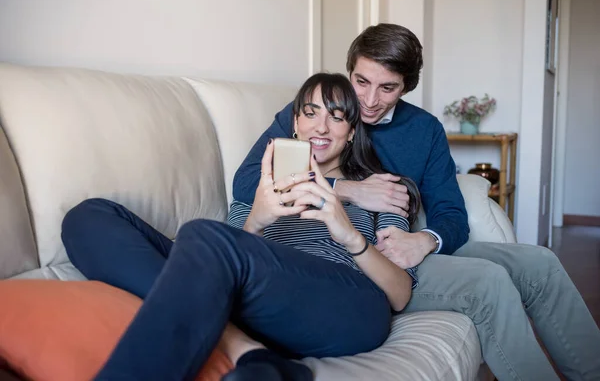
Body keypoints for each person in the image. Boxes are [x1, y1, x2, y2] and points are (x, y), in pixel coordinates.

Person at [232, 24, 600, 380]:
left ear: (406, 86)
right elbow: (248, 181)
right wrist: (347, 190)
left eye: (387, 88)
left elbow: (451, 213)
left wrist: (425, 241)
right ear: (350, 71)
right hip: (370, 251)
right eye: (361, 82)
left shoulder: (424, 130)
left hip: (409, 237)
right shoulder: (316, 114)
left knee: (539, 263)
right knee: (488, 282)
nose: (369, 100)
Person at [62, 73, 420, 381]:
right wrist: (257, 220)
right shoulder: (257, 188)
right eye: (310, 114)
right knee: (88, 217)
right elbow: (229, 261)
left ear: (352, 130)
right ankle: (249, 350)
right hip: (250, 304)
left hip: (344, 305)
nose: (321, 127)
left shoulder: (378, 191)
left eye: (336, 117)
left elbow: (401, 294)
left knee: (201, 234)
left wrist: (350, 235)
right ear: (295, 124)